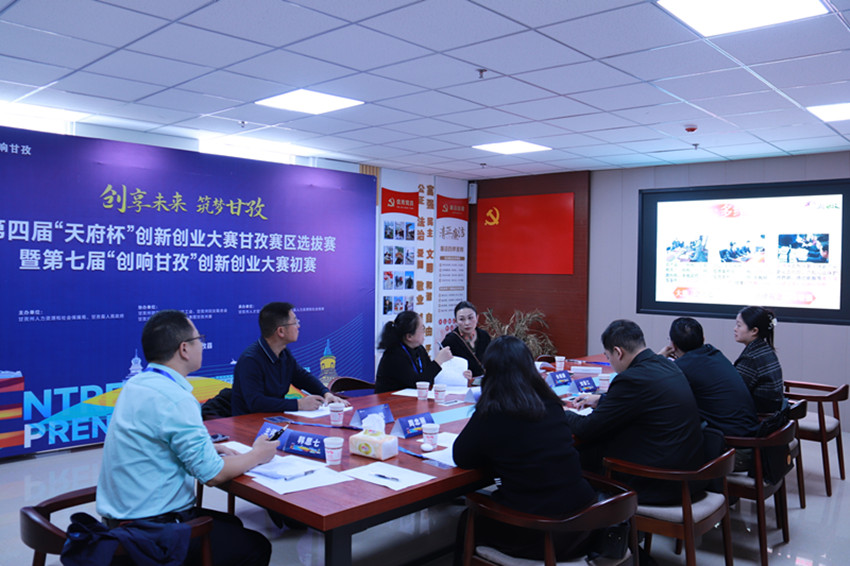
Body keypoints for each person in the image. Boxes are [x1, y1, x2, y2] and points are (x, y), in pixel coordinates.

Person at [97, 310, 278, 566]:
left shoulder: (136, 385)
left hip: (119, 523)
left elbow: (158, 440)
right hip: (151, 531)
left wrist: (209, 449)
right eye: (198, 339)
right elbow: (213, 475)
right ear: (184, 349)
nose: (201, 345)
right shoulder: (176, 398)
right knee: (256, 546)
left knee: (232, 524)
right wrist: (257, 455)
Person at [453, 336, 598, 561]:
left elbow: (461, 456)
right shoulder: (551, 403)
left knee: (468, 518)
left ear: (490, 373)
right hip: (584, 524)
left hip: (541, 532)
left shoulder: (493, 411)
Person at [564, 319, 704, 504]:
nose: (610, 362)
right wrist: (601, 400)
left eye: (608, 356)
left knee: (574, 453)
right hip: (690, 473)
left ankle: (588, 516)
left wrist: (562, 411)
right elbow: (641, 402)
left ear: (618, 352)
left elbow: (586, 428)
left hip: (661, 481)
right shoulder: (665, 364)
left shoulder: (631, 379)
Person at [231, 302, 348, 416]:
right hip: (248, 422)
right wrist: (298, 404)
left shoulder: (284, 353)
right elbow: (256, 403)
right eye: (295, 322)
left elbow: (302, 377)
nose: (298, 326)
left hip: (274, 419)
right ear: (281, 331)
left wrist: (326, 393)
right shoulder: (251, 360)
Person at [659, 317, 758, 437]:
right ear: (703, 339)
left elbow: (653, 383)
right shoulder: (714, 353)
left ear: (673, 345)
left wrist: (659, 357)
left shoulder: (682, 368)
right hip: (749, 428)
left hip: (733, 438)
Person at [375, 310, 453, 393]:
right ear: (409, 336)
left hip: (410, 397)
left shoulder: (419, 349)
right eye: (422, 329)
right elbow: (416, 384)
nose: (424, 332)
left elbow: (428, 376)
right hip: (391, 399)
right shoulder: (394, 354)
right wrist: (438, 361)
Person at [733, 306, 784, 414]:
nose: (735, 329)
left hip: (760, 415)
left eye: (739, 325)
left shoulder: (751, 358)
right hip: (774, 410)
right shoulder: (764, 349)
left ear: (754, 331)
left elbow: (735, 390)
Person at [441, 300, 491, 377]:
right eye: (462, 319)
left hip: (483, 380)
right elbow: (444, 369)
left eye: (470, 318)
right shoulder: (449, 341)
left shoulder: (484, 336)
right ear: (456, 321)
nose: (467, 323)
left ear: (477, 318)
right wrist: (460, 374)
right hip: (461, 382)